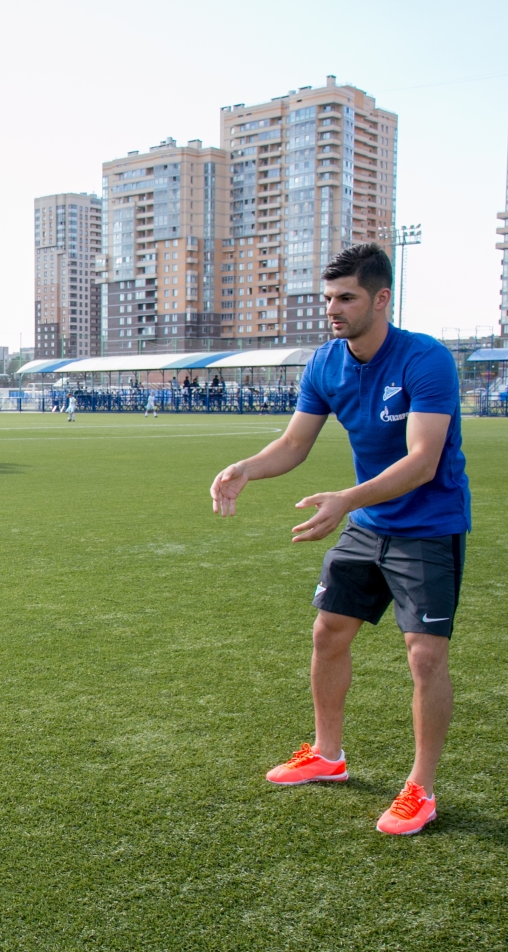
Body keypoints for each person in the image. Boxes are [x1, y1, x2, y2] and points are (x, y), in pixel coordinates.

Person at [210, 243, 470, 837]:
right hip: (368, 524)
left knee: (425, 656)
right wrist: (247, 468)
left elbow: (424, 461)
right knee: (327, 632)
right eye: (328, 298)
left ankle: (421, 788)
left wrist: (347, 500)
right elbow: (293, 444)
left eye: (346, 297)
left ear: (380, 299)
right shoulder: (326, 363)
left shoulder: (425, 359)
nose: (332, 308)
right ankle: (328, 755)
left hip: (428, 526)